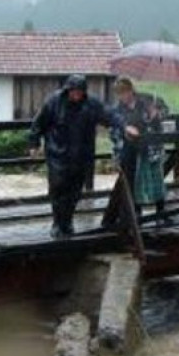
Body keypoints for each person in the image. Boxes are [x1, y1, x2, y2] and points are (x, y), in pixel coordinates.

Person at [29, 74, 115, 238]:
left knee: (75, 191)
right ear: (67, 90)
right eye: (73, 91)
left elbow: (109, 117)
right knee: (58, 189)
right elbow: (38, 123)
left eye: (80, 92)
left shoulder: (92, 104)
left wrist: (125, 124)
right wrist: (34, 144)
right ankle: (58, 223)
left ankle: (67, 222)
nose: (76, 95)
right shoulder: (53, 102)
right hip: (58, 154)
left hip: (81, 155)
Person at [108, 76, 147, 207]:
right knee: (129, 181)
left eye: (124, 92)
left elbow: (163, 113)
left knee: (144, 179)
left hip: (145, 147)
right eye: (119, 93)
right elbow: (112, 132)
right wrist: (123, 133)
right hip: (126, 149)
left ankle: (158, 211)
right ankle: (133, 210)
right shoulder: (117, 109)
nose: (122, 96)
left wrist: (155, 114)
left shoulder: (145, 102)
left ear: (131, 90)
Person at [135, 96, 171, 225]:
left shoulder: (157, 100)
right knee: (139, 183)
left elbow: (166, 112)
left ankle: (160, 212)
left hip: (156, 150)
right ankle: (137, 213)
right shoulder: (137, 103)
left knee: (158, 183)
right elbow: (136, 121)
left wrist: (157, 113)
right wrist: (147, 117)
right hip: (141, 150)